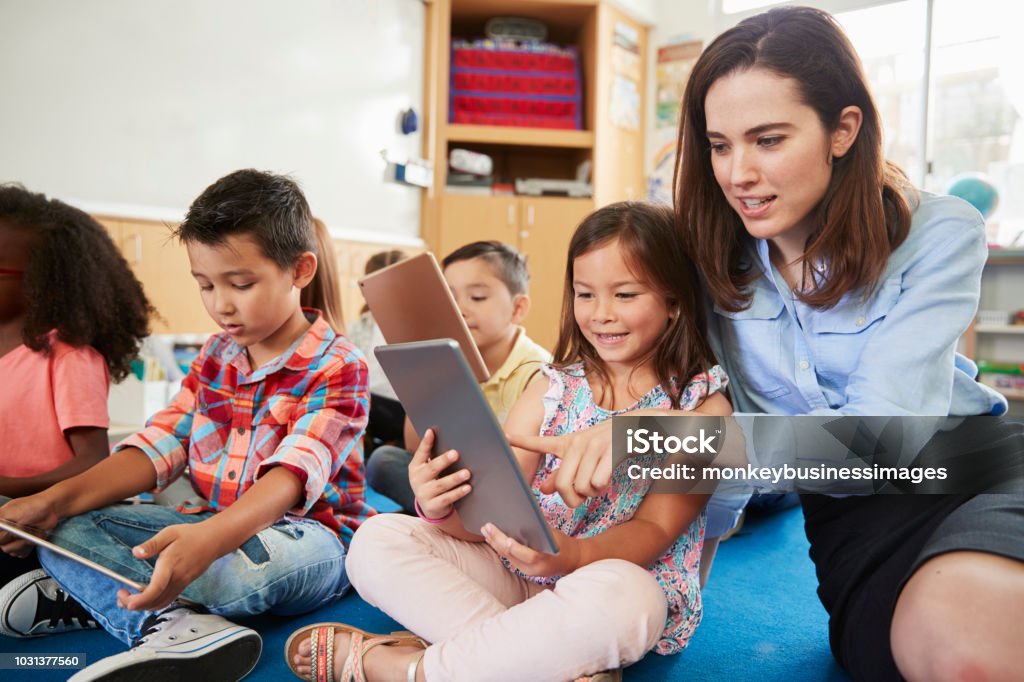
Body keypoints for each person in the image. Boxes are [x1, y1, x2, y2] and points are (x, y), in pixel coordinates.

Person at [511, 7, 1024, 681]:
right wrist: (681, 592)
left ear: (844, 130)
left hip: (968, 467)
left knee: (977, 649)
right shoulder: (704, 260)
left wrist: (642, 439)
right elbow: (715, 416)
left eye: (768, 140)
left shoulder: (940, 231)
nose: (738, 173)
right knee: (952, 656)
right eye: (720, 146)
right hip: (850, 521)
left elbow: (879, 444)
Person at [285, 201, 732, 681]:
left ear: (675, 300)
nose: (601, 314)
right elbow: (489, 521)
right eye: (585, 294)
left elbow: (656, 532)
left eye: (624, 294)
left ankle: (406, 670)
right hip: (518, 576)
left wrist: (571, 555)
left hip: (603, 582)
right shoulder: (552, 385)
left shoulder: (702, 405)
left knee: (629, 594)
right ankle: (535, 658)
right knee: (377, 539)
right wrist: (439, 505)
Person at [0, 169, 372, 681]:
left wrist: (210, 541)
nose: (221, 303)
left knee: (242, 574)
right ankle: (173, 623)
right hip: (207, 522)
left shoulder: (338, 364)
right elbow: (159, 445)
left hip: (306, 540)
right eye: (205, 284)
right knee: (58, 524)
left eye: (240, 284)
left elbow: (289, 479)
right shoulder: (217, 355)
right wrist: (54, 501)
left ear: (299, 270)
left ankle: (107, 592)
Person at [0, 184, 152, 614]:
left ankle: (72, 593)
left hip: (36, 522)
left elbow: (92, 461)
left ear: (43, 282)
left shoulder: (68, 356)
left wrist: (8, 490)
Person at [365, 240, 551, 512]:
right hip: (455, 480)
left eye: (477, 298)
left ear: (517, 308)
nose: (460, 309)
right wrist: (424, 383)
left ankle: (438, 517)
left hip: (510, 491)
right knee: (384, 462)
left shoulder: (538, 371)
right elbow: (415, 448)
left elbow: (520, 470)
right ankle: (437, 515)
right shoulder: (447, 358)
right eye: (450, 298)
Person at [346, 249, 408, 453]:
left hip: (405, 412)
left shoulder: (416, 325)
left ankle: (395, 444)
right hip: (367, 408)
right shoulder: (358, 328)